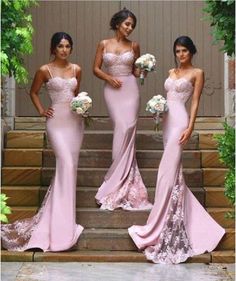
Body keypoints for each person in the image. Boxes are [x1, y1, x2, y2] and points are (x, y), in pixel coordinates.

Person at [128, 36, 225, 264]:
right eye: (178, 51)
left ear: (191, 52)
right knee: (174, 175)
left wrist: (191, 127)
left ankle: (158, 225)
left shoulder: (197, 73)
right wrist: (158, 110)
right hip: (166, 122)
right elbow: (167, 97)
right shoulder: (171, 71)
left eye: (184, 51)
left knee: (166, 173)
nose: (181, 55)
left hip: (180, 121)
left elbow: (194, 102)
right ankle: (197, 226)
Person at [1, 32, 84, 252]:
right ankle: (59, 224)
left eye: (67, 46)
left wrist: (82, 107)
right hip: (56, 121)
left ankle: (64, 220)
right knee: (65, 163)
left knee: (70, 168)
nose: (64, 50)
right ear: (53, 48)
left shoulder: (76, 69)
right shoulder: (44, 70)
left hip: (75, 123)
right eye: (60, 46)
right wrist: (41, 111)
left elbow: (75, 95)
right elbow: (34, 92)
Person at [93, 8, 152, 211]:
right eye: (127, 24)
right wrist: (109, 78)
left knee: (129, 128)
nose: (130, 28)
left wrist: (144, 70)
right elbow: (96, 68)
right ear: (118, 23)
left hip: (131, 89)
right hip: (112, 89)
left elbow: (136, 72)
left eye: (132, 25)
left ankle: (124, 175)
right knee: (120, 125)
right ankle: (116, 175)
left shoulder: (134, 45)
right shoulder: (104, 44)